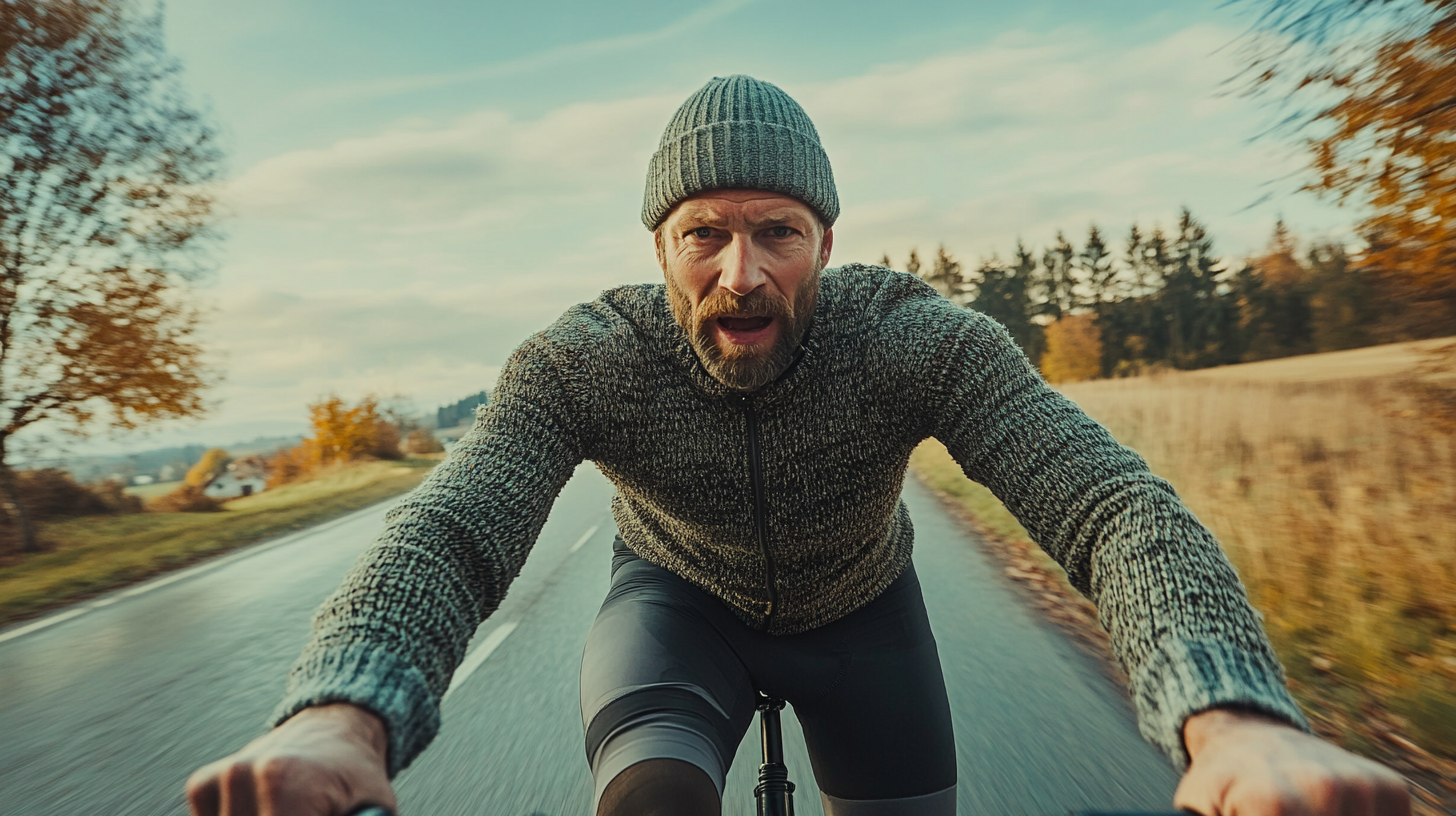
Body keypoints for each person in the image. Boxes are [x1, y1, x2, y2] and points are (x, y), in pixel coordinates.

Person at [186, 75, 1410, 816]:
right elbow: (455, 528)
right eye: (701, 235)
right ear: (656, 248)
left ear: (825, 239)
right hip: (674, 606)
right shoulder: (580, 360)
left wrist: (1232, 717)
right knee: (650, 796)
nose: (741, 271)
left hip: (865, 614)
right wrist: (345, 713)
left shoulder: (921, 342)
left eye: (776, 229)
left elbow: (1108, 506)